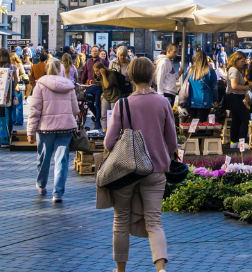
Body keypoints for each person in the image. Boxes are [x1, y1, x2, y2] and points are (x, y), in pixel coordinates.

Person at [98, 57, 176, 272]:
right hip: (156, 168)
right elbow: (172, 140)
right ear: (152, 76)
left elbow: (109, 142)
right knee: (154, 222)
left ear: (130, 77)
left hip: (127, 170)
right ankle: (161, 269)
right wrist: (164, 157)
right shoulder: (163, 102)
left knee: (121, 220)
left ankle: (120, 269)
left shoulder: (123, 104)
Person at [27, 57, 79, 203]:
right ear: (60, 69)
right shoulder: (69, 85)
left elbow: (34, 111)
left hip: (45, 127)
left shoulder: (40, 86)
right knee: (61, 160)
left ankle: (42, 185)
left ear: (46, 69)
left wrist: (30, 132)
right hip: (66, 127)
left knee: (43, 158)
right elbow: (75, 110)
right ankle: (58, 193)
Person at [179, 49, 217, 122]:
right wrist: (215, 100)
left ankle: (193, 133)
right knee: (202, 123)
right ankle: (199, 133)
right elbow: (214, 87)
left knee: (193, 123)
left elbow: (185, 81)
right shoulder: (210, 70)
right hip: (205, 101)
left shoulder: (190, 70)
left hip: (192, 100)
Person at [223, 51, 251, 148]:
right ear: (236, 60)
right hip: (233, 97)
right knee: (245, 117)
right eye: (242, 61)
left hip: (234, 97)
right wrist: (247, 88)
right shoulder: (234, 70)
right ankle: (242, 141)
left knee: (236, 119)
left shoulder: (235, 70)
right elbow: (234, 86)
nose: (243, 63)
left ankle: (234, 141)